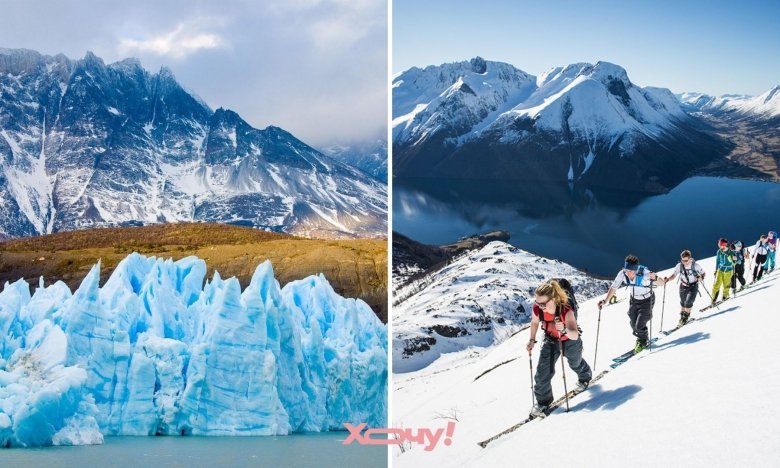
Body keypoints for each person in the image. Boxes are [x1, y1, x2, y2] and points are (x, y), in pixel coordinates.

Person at [527, 279, 592, 417]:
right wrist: (532, 340)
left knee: (575, 363)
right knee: (542, 372)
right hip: (550, 340)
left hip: (570, 341)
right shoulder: (538, 308)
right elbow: (534, 322)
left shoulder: (566, 310)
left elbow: (574, 335)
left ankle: (585, 377)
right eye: (537, 303)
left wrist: (563, 330)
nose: (539, 306)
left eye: (543, 303)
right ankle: (543, 402)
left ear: (553, 298)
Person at [597, 255, 667, 353]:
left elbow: (662, 283)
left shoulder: (645, 273)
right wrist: (605, 301)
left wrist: (654, 277)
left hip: (647, 300)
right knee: (633, 322)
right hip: (634, 300)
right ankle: (642, 337)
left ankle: (642, 341)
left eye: (629, 270)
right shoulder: (623, 273)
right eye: (625, 269)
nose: (627, 272)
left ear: (635, 270)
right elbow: (613, 287)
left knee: (639, 324)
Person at [664, 250, 706, 327]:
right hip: (683, 285)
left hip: (693, 286)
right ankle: (682, 317)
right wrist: (667, 280)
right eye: (682, 260)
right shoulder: (679, 266)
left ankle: (685, 318)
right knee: (683, 302)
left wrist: (701, 277)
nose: (684, 262)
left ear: (690, 259)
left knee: (688, 302)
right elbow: (674, 274)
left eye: (686, 260)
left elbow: (703, 273)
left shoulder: (695, 266)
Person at [711, 238, 735, 305]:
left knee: (726, 284)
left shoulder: (730, 252)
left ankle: (725, 297)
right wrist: (716, 270)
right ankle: (713, 300)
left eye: (720, 244)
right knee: (716, 284)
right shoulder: (719, 251)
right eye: (719, 244)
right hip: (720, 270)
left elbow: (734, 263)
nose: (719, 246)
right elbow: (718, 261)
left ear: (724, 245)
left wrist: (733, 259)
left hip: (728, 270)